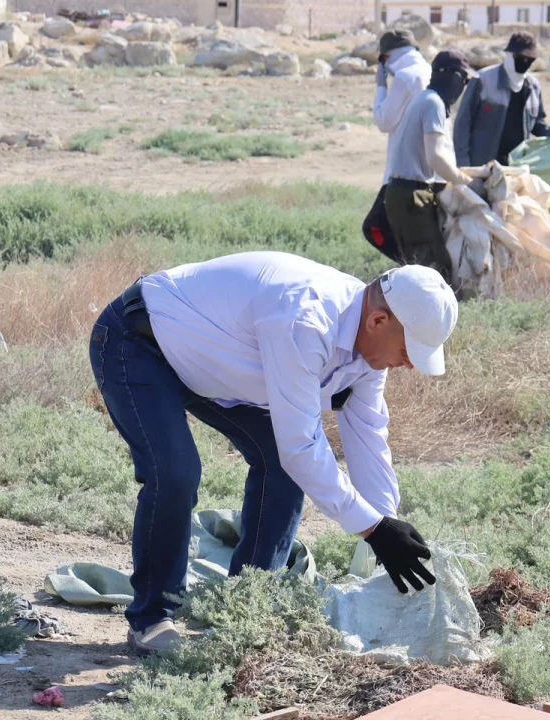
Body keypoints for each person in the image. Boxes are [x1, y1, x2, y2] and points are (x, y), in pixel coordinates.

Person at [90, 252, 459, 654]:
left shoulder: (370, 352)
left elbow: (368, 434)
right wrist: (372, 529)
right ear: (378, 321)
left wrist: (387, 524)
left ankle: (246, 605)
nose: (408, 364)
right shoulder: (306, 320)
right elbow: (301, 447)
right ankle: (152, 618)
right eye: (409, 351)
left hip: (217, 366)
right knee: (175, 472)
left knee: (280, 470)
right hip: (140, 343)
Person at [384, 49, 479, 293]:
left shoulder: (425, 100)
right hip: (412, 195)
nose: (464, 86)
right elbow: (435, 156)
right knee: (434, 272)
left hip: (404, 193)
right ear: (450, 76)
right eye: (463, 79)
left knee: (419, 268)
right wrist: (462, 181)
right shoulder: (433, 103)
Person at [362, 28, 431, 264]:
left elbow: (384, 121)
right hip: (429, 165)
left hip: (401, 170)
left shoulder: (404, 77)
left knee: (375, 227)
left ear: (387, 58)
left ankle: (411, 269)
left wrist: (381, 86)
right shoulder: (428, 71)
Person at [454, 33, 550, 169]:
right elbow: (463, 123)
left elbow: (537, 123)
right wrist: (464, 164)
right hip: (482, 167)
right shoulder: (483, 80)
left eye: (529, 59)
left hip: (516, 166)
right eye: (520, 58)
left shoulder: (533, 86)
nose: (525, 62)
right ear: (509, 55)